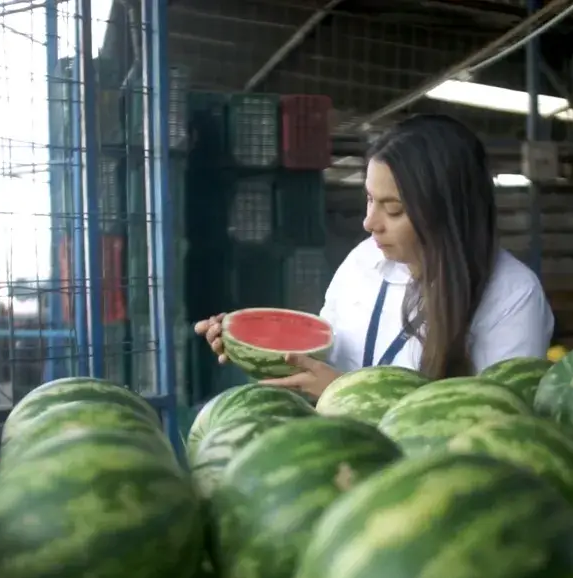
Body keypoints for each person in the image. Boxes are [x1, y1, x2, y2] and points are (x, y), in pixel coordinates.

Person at [194, 114, 554, 399]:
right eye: (369, 199)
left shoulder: (513, 296)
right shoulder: (361, 262)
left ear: (446, 212)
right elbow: (321, 364)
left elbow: (495, 423)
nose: (369, 223)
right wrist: (254, 347)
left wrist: (343, 395)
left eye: (393, 209)